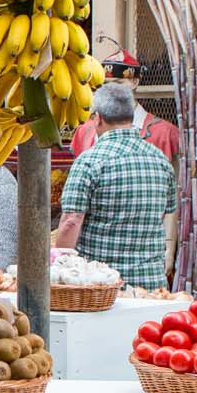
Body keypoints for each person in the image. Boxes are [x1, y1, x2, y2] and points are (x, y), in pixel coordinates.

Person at [56, 82, 176, 287]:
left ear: (98, 118)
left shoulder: (89, 161)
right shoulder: (160, 160)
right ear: (131, 116)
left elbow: (71, 221)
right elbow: (168, 213)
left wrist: (58, 267)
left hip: (101, 286)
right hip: (150, 286)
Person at [70, 53, 179, 163]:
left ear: (134, 82)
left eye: (118, 83)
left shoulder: (166, 133)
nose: (111, 89)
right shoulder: (85, 130)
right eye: (105, 84)